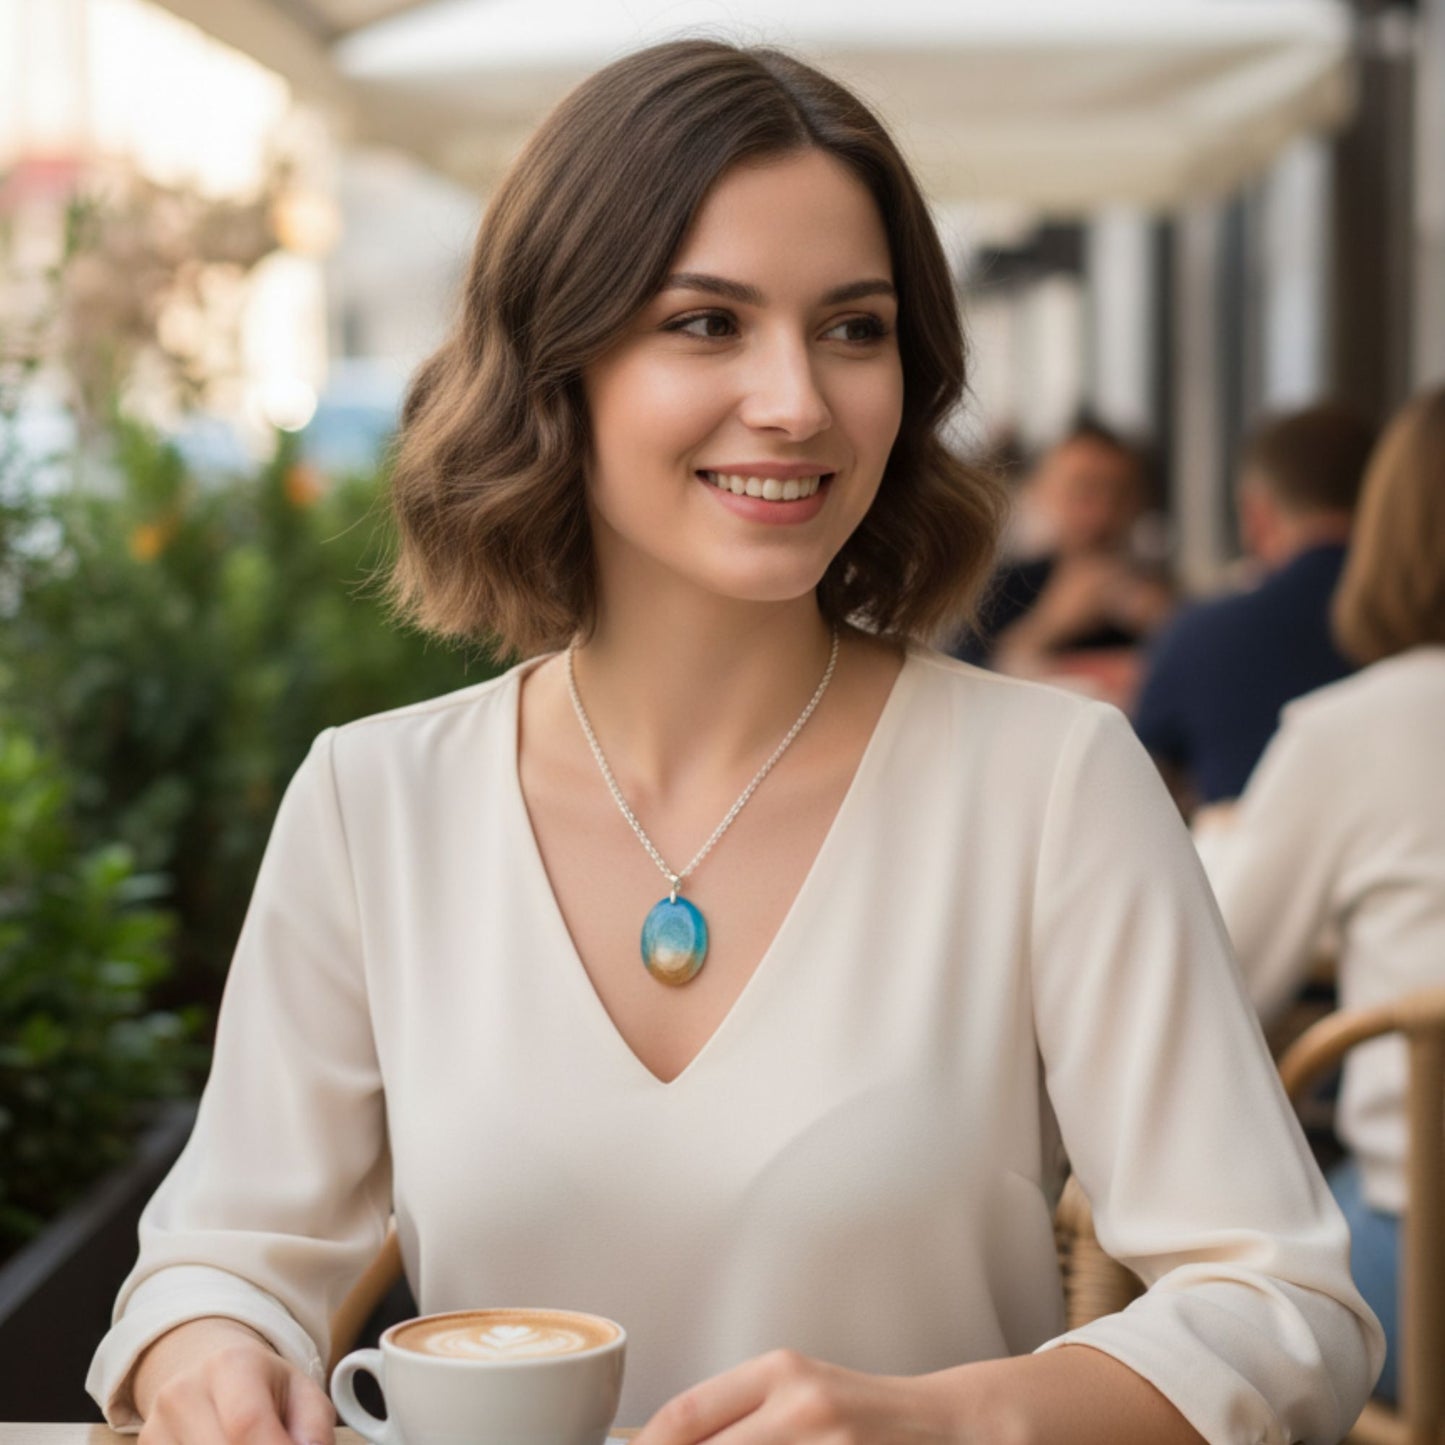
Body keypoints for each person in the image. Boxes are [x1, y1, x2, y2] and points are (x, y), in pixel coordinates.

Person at [88, 40, 1381, 1445]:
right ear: (556, 365)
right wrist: (209, 1352)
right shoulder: (373, 801)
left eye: (854, 328)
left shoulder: (1049, 785)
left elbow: (1281, 1309)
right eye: (706, 322)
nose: (797, 400)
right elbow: (217, 1259)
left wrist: (942, 1422)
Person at [1195, 384, 1445, 1406]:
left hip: (1423, 1253)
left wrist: (1225, 843)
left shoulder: (1353, 729)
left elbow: (1218, 988)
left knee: (1207, 1286)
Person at [1132, 402, 1375, 811]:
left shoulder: (1200, 634)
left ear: (1256, 515)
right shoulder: (1419, 632)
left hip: (1247, 849)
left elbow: (1142, 788)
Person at [952, 419, 1173, 676]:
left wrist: (1173, 627)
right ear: (1040, 491)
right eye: (1083, 491)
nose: (1102, 512)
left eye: (1121, 494)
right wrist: (1050, 624)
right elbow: (963, 677)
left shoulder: (1164, 594)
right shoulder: (1001, 589)